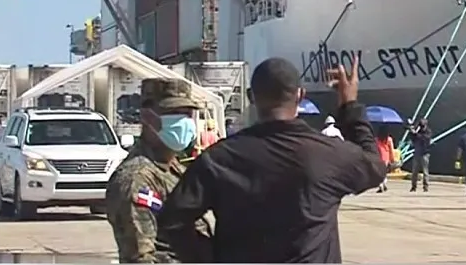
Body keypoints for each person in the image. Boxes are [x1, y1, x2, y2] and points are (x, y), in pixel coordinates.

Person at [156, 55, 387, 263]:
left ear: (251, 97)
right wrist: (349, 105)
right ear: (300, 95)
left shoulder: (219, 158)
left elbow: (171, 222)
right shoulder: (328, 154)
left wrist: (213, 257)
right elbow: (375, 167)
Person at [105, 79, 211, 263]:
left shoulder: (173, 167)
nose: (183, 121)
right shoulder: (137, 179)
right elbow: (140, 257)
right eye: (173, 113)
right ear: (147, 117)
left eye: (187, 114)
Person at [408, 118, 432, 192]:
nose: (421, 127)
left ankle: (425, 186)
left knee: (425, 171)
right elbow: (413, 140)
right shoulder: (418, 131)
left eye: (423, 126)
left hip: (425, 153)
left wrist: (416, 134)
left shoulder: (428, 131)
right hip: (417, 153)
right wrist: (412, 132)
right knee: (414, 171)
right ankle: (413, 187)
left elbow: (425, 139)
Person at [375, 129, 396, 193]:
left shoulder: (376, 139)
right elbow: (391, 150)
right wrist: (392, 159)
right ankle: (382, 184)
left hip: (378, 157)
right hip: (386, 157)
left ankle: (382, 185)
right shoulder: (389, 139)